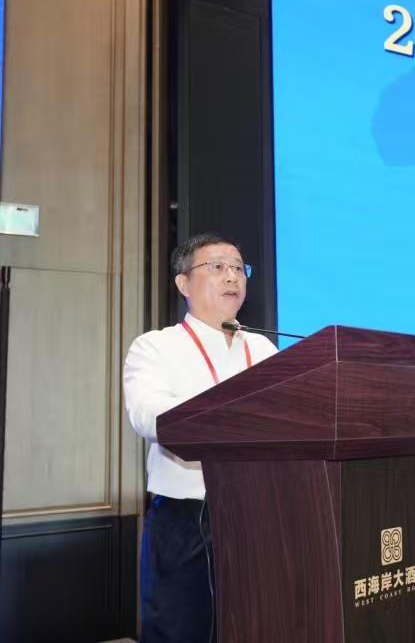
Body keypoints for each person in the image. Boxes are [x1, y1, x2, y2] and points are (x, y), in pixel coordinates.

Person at [124, 233, 278, 643]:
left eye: (239, 268)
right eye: (217, 267)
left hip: (259, 514)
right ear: (183, 283)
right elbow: (148, 415)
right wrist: (236, 414)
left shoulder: (262, 348)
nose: (232, 276)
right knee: (181, 630)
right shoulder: (155, 346)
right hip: (186, 518)